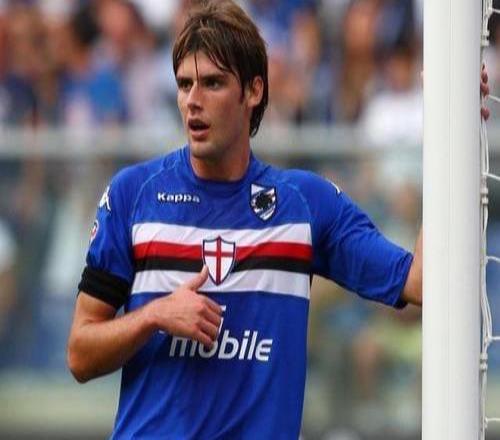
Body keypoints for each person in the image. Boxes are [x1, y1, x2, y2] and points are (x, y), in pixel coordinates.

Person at [66, 1, 486, 438]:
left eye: (212, 83)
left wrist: (449, 126)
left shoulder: (304, 205)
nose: (192, 101)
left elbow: (422, 282)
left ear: (254, 91)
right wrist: (153, 316)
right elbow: (80, 353)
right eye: (185, 84)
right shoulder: (134, 194)